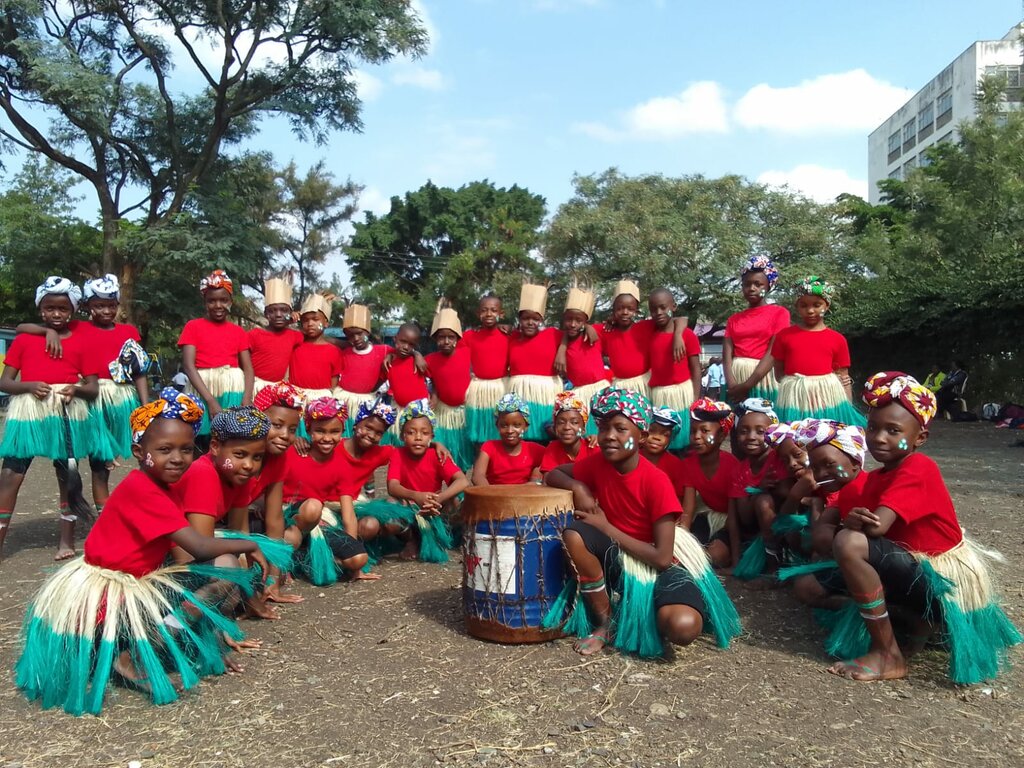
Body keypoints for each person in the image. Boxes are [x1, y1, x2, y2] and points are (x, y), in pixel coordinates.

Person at [14, 391, 275, 716]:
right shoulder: (143, 489)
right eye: (164, 450)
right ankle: (131, 658)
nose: (178, 458)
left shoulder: (162, 486)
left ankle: (154, 644)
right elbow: (199, 547)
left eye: (185, 449)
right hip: (108, 596)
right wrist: (251, 544)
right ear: (140, 452)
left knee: (221, 567)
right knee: (222, 564)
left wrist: (213, 643)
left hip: (132, 584)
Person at [823, 372, 1020, 683]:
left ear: (920, 438)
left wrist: (851, 525)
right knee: (843, 552)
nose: (879, 437)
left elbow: (876, 529)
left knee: (850, 544)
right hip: (919, 576)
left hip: (945, 588)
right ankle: (918, 624)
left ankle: (888, 653)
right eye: (873, 428)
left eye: (893, 430)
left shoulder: (918, 467)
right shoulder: (875, 479)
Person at [542, 386, 741, 657]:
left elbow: (661, 557)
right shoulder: (598, 464)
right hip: (619, 559)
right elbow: (553, 474)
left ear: (642, 436)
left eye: (620, 429)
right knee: (575, 535)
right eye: (603, 428)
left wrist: (606, 528)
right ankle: (606, 623)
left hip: (660, 563)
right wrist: (579, 487)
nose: (609, 436)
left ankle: (646, 610)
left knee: (683, 627)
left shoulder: (656, 481)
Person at [15, 273, 150, 514]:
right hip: (88, 399)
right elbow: (21, 327)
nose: (106, 311)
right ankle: (86, 514)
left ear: (118, 305)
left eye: (111, 305)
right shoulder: (77, 326)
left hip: (119, 398)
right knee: (83, 457)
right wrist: (48, 332)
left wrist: (144, 404)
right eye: (98, 305)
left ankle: (118, 516)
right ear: (86, 306)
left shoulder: (128, 331)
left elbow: (139, 370)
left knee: (104, 465)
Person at [0, 277, 102, 561]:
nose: (56, 314)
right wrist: (29, 385)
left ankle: (66, 542)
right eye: (49, 308)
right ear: (40, 310)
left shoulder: (82, 341)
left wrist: (77, 390)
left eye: (63, 308)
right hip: (29, 413)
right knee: (9, 474)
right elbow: (5, 383)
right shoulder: (24, 340)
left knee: (66, 475)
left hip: (66, 413)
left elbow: (93, 390)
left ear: (72, 309)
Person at [276, 397, 373, 585]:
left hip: (319, 522)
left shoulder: (341, 465)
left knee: (358, 559)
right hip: (289, 517)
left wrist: (350, 546)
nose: (327, 438)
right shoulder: (293, 452)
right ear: (309, 429)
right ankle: (288, 557)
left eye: (334, 432)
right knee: (311, 509)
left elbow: (348, 514)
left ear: (342, 432)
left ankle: (303, 556)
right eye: (320, 431)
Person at [228, 381, 306, 605]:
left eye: (292, 430)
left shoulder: (279, 460)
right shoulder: (241, 458)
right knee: (243, 565)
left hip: (246, 525)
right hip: (221, 529)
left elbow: (274, 519)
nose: (285, 435)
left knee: (290, 538)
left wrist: (272, 581)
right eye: (277, 425)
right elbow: (237, 526)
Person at [782, 419, 870, 610]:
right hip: (852, 564)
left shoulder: (868, 488)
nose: (821, 474)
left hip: (878, 568)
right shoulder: (844, 491)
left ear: (855, 462)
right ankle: (858, 608)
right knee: (804, 587)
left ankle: (879, 610)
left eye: (829, 464)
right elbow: (819, 537)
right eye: (815, 468)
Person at [372, 399, 469, 563]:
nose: (418, 437)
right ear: (403, 435)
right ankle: (412, 539)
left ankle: (443, 535)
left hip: (434, 506)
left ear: (432, 436)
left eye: (424, 433)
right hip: (410, 507)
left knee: (456, 501)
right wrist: (416, 496)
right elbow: (392, 486)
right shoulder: (398, 454)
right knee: (389, 510)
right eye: (411, 432)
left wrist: (439, 498)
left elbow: (462, 481)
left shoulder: (437, 455)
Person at [772, 276, 864, 426]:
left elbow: (843, 378)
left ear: (826, 306)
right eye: (803, 305)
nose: (810, 310)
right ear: (797, 307)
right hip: (795, 401)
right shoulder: (784, 336)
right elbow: (779, 374)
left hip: (827, 401)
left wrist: (846, 409)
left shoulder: (837, 339)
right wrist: (800, 388)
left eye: (817, 305)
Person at [178, 270, 254, 438]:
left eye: (223, 300)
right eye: (211, 301)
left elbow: (248, 368)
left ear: (231, 302)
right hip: (202, 390)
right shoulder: (193, 327)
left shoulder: (239, 332)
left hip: (232, 389)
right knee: (200, 438)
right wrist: (210, 401)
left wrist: (247, 399)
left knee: (231, 436)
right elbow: (189, 367)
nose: (218, 305)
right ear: (204, 302)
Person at [727, 399, 786, 579]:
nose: (751, 436)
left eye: (761, 432)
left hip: (785, 527)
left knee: (763, 502)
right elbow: (739, 518)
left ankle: (774, 568)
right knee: (760, 499)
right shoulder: (740, 469)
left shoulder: (780, 460)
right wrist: (736, 563)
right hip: (753, 530)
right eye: (743, 431)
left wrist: (761, 493)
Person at [677, 398, 739, 568]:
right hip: (707, 515)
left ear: (721, 436)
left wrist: (736, 561)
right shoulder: (689, 464)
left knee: (715, 556)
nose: (697, 437)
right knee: (688, 549)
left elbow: (734, 516)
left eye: (705, 431)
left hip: (731, 520)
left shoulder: (732, 466)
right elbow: (688, 510)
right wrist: (681, 541)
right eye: (693, 431)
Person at [724, 255, 791, 403]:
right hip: (735, 380)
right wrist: (732, 385)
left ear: (768, 286)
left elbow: (773, 353)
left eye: (758, 284)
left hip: (762, 379)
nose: (752, 288)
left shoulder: (779, 313)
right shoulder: (733, 319)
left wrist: (747, 385)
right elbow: (727, 356)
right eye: (747, 284)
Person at [647, 289, 702, 451]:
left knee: (683, 442)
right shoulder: (650, 334)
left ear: (674, 306)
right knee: (662, 441)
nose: (658, 313)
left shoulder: (687, 335)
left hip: (682, 397)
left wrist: (695, 401)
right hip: (658, 396)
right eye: (653, 309)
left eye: (663, 307)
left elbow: (696, 369)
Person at [553, 284, 611, 435]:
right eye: (569, 319)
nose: (573, 324)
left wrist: (590, 327)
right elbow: (564, 334)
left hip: (600, 391)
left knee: (602, 431)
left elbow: (614, 322)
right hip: (579, 395)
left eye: (578, 320)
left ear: (585, 321)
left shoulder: (596, 332)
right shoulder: (559, 338)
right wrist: (562, 348)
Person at [508, 283, 562, 442]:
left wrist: (563, 349)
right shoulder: (512, 337)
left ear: (542, 320)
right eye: (526, 318)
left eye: (535, 319)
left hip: (546, 396)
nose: (530, 322)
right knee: (523, 435)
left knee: (547, 435)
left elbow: (571, 334)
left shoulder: (553, 334)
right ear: (519, 319)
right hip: (520, 394)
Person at [425, 305, 473, 471]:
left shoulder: (467, 352)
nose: (446, 341)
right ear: (435, 338)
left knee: (463, 453)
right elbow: (434, 382)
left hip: (464, 413)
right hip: (443, 413)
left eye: (451, 337)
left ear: (457, 338)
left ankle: (462, 491)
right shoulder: (430, 360)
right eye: (441, 337)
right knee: (444, 453)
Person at [288, 293, 343, 437]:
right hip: (296, 400)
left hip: (320, 402)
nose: (310, 323)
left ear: (326, 322)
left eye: (315, 319)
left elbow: (333, 383)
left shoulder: (334, 351)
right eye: (305, 320)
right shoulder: (295, 344)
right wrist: (290, 319)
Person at [461, 294, 510, 446]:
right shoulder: (469, 336)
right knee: (479, 439)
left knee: (501, 435)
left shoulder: (509, 335)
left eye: (493, 310)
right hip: (478, 392)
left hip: (502, 389)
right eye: (484, 310)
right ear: (478, 314)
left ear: (501, 314)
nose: (489, 314)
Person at [336, 304, 391, 436]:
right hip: (345, 404)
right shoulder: (345, 353)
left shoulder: (383, 351)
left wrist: (416, 355)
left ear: (368, 331)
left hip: (368, 406)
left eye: (359, 334)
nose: (355, 339)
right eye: (350, 336)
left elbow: (402, 352)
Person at [472, 393, 545, 485]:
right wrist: (489, 493)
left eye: (517, 425)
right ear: (497, 426)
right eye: (504, 425)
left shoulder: (535, 450)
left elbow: (549, 471)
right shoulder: (489, 447)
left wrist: (535, 482)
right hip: (494, 496)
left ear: (525, 426)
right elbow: (478, 476)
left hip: (525, 496)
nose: (510, 430)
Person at [248, 277, 302, 391]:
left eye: (284, 310)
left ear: (290, 313)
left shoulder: (293, 336)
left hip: (276, 389)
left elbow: (314, 336)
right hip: (254, 386)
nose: (278, 314)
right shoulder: (254, 335)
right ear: (265, 314)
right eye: (272, 311)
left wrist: (296, 318)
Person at [382, 322, 430, 444]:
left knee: (419, 442)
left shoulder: (418, 362)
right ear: (395, 339)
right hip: (399, 411)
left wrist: (417, 354)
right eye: (403, 341)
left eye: (411, 345)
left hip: (419, 413)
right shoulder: (390, 362)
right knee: (400, 442)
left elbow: (435, 379)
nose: (406, 347)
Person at [539, 391, 599, 474]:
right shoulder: (553, 448)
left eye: (574, 422)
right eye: (561, 422)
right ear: (554, 427)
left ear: (583, 429)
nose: (567, 427)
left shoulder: (593, 449)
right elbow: (547, 478)